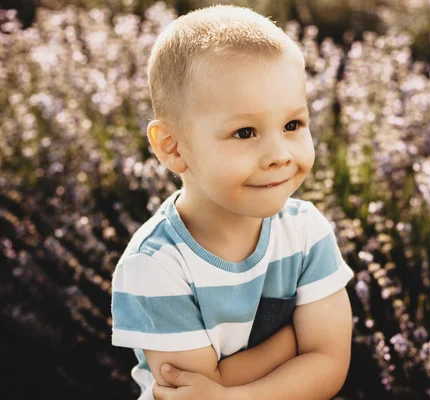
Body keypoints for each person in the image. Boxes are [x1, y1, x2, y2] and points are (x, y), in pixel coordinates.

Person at [110, 4, 355, 400]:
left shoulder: (306, 231)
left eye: (293, 125)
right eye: (245, 132)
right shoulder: (155, 265)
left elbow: (329, 364)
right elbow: (194, 391)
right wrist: (295, 343)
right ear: (173, 148)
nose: (279, 154)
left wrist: (232, 395)